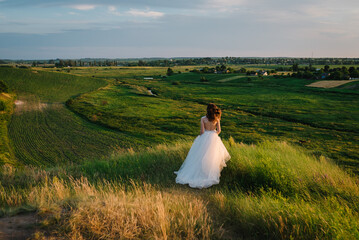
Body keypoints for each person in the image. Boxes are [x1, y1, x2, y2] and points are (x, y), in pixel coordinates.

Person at [174, 103, 231, 188]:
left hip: (204, 138)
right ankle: (209, 174)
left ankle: (199, 173)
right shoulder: (217, 119)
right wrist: (213, 134)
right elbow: (219, 130)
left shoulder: (203, 119)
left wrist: (203, 137)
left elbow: (202, 132)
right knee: (212, 158)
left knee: (199, 157)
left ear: (207, 110)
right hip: (214, 138)